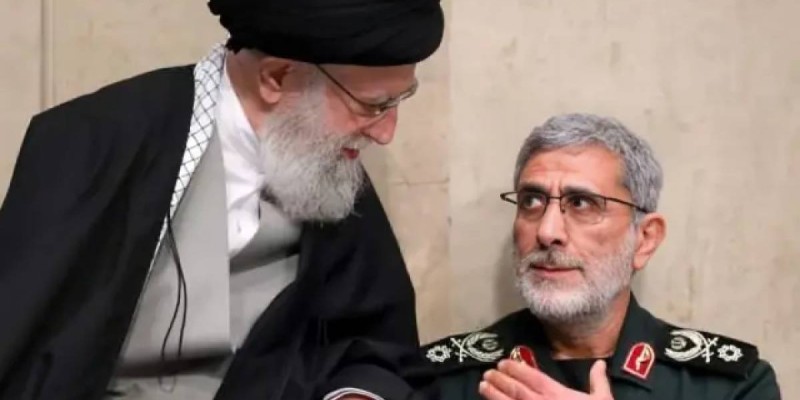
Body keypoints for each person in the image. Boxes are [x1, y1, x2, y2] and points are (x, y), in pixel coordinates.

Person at [0, 1, 444, 399]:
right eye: (373, 106)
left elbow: (374, 345)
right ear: (277, 77)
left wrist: (355, 394)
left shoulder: (330, 168)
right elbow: (24, 339)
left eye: (398, 101)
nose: (386, 133)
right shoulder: (92, 140)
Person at [415, 113, 781, 399]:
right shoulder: (442, 380)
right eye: (532, 201)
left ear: (645, 239)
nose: (547, 231)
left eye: (581, 203)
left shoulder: (729, 387)